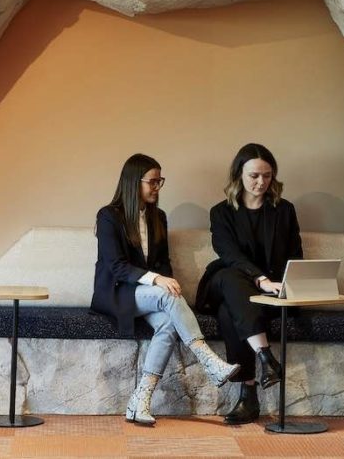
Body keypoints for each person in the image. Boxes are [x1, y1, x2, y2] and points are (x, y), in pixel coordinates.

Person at [91, 153, 239, 426]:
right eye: (152, 181)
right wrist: (159, 281)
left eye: (160, 181)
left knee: (169, 324)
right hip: (117, 292)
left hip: (148, 295)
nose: (157, 187)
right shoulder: (108, 216)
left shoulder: (158, 216)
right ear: (133, 182)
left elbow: (163, 263)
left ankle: (140, 400)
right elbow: (115, 266)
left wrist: (167, 281)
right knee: (165, 294)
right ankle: (208, 360)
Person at [195, 143, 304, 425]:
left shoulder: (284, 211)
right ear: (238, 176)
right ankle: (266, 357)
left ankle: (249, 395)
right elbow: (229, 255)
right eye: (254, 175)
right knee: (232, 277)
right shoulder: (221, 213)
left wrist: (284, 284)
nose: (261, 182)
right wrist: (262, 280)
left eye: (267, 175)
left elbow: (295, 255)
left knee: (230, 313)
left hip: (264, 296)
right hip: (227, 282)